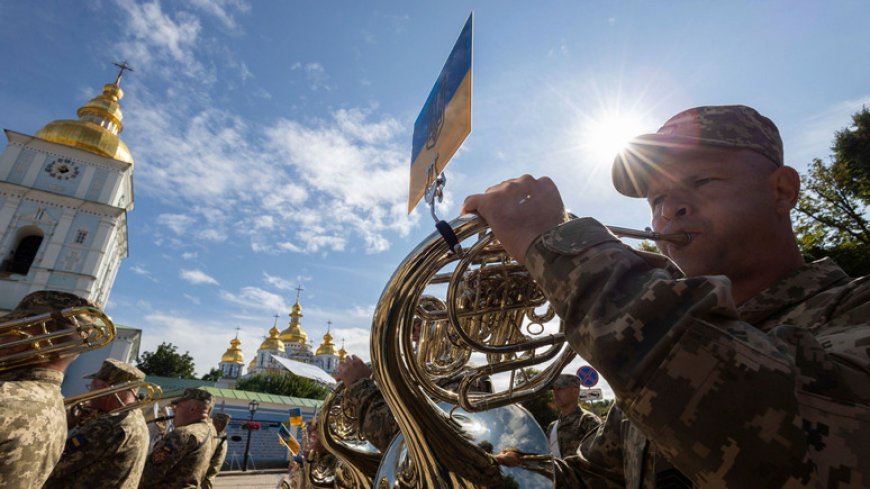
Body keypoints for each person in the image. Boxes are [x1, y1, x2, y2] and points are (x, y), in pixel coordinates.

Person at [463, 105, 870, 488]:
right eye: (657, 199)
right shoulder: (648, 375)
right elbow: (600, 479)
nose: (670, 209)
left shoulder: (855, 310)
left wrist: (562, 251)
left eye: (701, 181)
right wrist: (479, 466)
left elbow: (788, 437)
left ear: (781, 190)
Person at [0, 290, 105, 489]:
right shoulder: (52, 403)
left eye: (12, 327)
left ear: (42, 335)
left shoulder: (7, 398)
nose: (2, 334)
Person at [44, 359, 150, 489]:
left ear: (104, 389)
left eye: (92, 387)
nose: (89, 393)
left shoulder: (108, 425)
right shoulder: (136, 419)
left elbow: (51, 465)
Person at [139, 388, 216, 489]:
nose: (174, 409)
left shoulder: (183, 434)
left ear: (193, 408)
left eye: (178, 406)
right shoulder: (210, 432)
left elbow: (148, 475)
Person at [546, 374, 601, 459]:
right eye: (554, 390)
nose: (555, 393)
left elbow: (598, 459)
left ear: (575, 392)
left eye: (560, 389)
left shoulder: (588, 421)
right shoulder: (552, 427)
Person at [201, 412, 231, 489]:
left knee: (208, 480)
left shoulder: (222, 440)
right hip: (200, 469)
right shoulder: (210, 432)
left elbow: (217, 462)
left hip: (207, 473)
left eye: (222, 424)